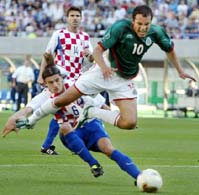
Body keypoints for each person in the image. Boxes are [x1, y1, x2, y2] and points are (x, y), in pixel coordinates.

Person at [11, 5, 196, 131]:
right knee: (63, 99)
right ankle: (31, 121)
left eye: (146, 24)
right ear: (133, 21)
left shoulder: (156, 32)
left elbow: (170, 49)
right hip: (102, 71)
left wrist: (180, 70)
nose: (142, 28)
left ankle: (92, 112)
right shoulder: (120, 28)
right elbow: (98, 51)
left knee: (129, 123)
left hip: (124, 79)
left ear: (151, 22)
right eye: (139, 24)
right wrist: (104, 68)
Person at [2, 66, 141, 181]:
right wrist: (13, 118)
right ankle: (94, 164)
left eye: (57, 80)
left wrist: (123, 119)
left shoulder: (78, 86)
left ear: (62, 78)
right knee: (64, 126)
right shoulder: (44, 97)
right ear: (45, 84)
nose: (55, 85)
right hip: (71, 133)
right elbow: (27, 110)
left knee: (108, 149)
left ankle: (139, 177)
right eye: (51, 82)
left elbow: (102, 104)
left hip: (92, 125)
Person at [38, 6, 94, 155]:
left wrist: (90, 55)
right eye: (72, 15)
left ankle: (51, 145)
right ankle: (66, 144)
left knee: (66, 113)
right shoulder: (59, 34)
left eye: (77, 15)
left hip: (77, 80)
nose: (75, 18)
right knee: (64, 111)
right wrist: (41, 75)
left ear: (81, 18)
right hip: (62, 78)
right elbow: (47, 54)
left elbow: (91, 60)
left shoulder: (85, 37)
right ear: (67, 18)